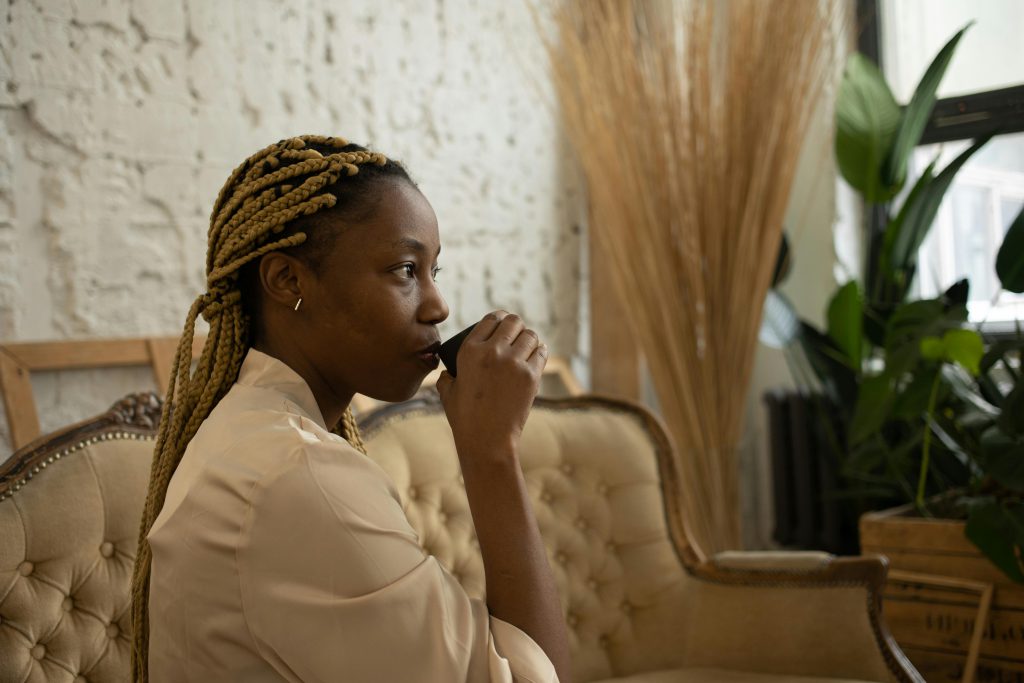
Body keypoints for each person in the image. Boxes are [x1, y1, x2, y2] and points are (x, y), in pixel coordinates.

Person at [129, 135, 571, 683]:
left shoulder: (263, 436)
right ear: (288, 280)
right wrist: (492, 453)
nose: (438, 305)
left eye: (436, 271)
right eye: (405, 270)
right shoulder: (296, 473)